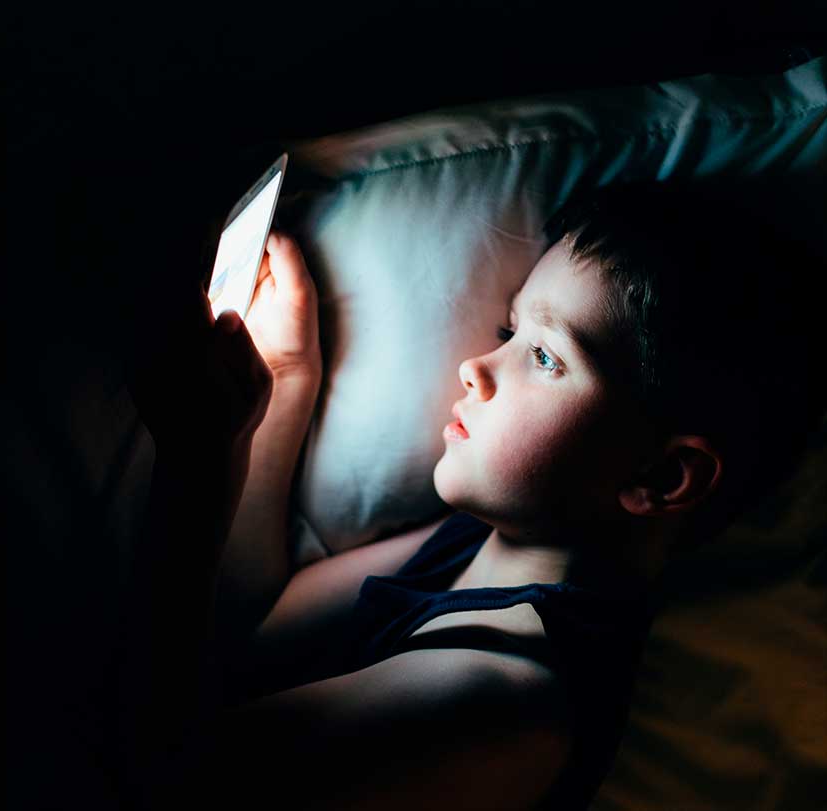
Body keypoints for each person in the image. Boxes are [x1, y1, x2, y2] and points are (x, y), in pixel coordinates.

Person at [111, 175, 827, 811]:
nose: (475, 367)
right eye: (508, 330)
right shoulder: (488, 539)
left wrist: (197, 471)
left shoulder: (502, 707)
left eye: (545, 355)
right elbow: (254, 624)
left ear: (661, 478)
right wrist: (288, 381)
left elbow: (149, 781)